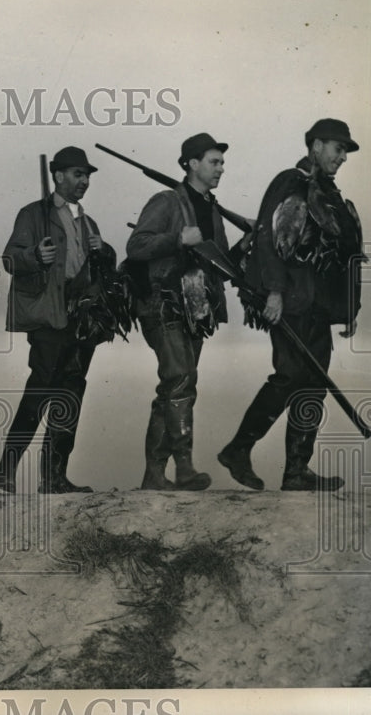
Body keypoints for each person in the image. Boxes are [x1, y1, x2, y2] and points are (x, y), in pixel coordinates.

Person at [218, 119, 363, 492]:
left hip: (319, 307)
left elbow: (345, 256)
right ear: (316, 146)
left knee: (313, 385)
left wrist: (349, 308)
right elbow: (267, 238)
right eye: (338, 148)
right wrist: (275, 293)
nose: (343, 157)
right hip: (292, 301)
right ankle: (238, 449)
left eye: (345, 151)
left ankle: (296, 471)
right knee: (289, 376)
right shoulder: (290, 181)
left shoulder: (329, 194)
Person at [0, 146, 116, 494]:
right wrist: (35, 255)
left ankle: (54, 477)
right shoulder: (33, 215)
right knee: (41, 388)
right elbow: (10, 258)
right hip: (48, 317)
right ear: (59, 176)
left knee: (71, 394)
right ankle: (7, 467)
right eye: (78, 174)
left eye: (87, 175)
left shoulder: (88, 222)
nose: (84, 181)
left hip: (82, 322)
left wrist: (103, 250)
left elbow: (103, 264)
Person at [126, 133, 242, 491]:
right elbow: (136, 245)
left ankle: (154, 476)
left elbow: (221, 263)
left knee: (177, 384)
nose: (221, 168)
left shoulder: (212, 210)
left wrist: (250, 241)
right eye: (214, 161)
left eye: (221, 162)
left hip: (196, 307)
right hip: (163, 304)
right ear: (192, 163)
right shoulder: (167, 201)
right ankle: (185, 468)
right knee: (180, 379)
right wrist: (177, 239)